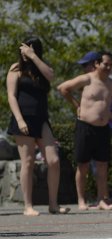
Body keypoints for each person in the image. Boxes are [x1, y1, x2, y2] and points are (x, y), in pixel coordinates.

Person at [6, 37, 69, 216]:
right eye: (24, 48)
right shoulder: (15, 69)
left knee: (54, 160)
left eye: (29, 49)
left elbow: (51, 75)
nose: (25, 52)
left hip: (41, 118)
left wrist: (33, 57)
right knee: (28, 161)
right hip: (23, 118)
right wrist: (19, 120)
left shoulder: (41, 68)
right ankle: (28, 206)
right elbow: (11, 96)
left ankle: (53, 204)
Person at [58, 51, 112, 211]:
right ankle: (81, 200)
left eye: (111, 65)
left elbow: (105, 105)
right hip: (85, 126)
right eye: (105, 64)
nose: (108, 67)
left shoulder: (111, 84)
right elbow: (63, 88)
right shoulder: (87, 79)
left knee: (102, 166)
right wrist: (77, 105)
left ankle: (101, 199)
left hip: (103, 129)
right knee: (83, 166)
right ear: (97, 64)